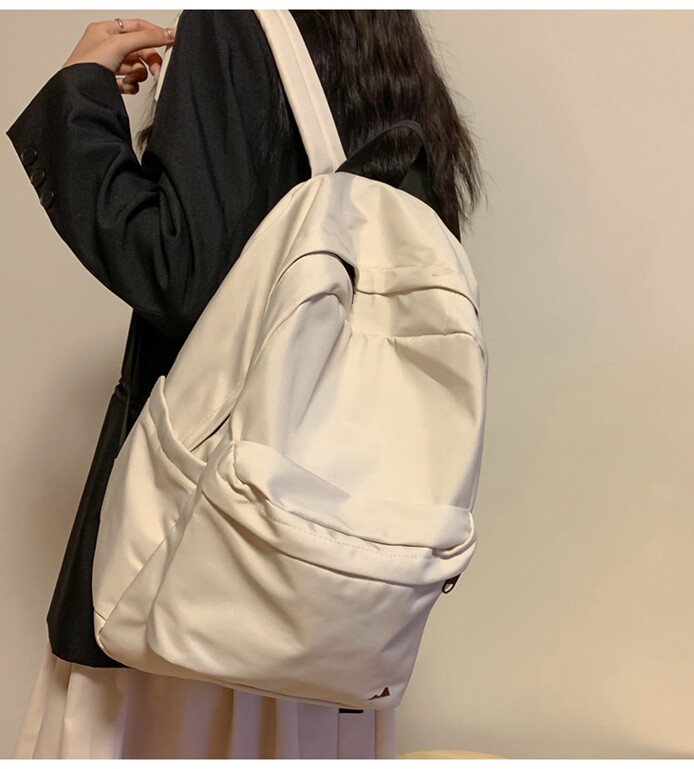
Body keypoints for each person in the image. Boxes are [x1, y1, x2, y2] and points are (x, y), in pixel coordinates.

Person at [6, 9, 485, 759]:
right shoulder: (382, 42)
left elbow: (180, 272)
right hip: (331, 618)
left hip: (192, 588)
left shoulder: (234, 20)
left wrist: (82, 98)